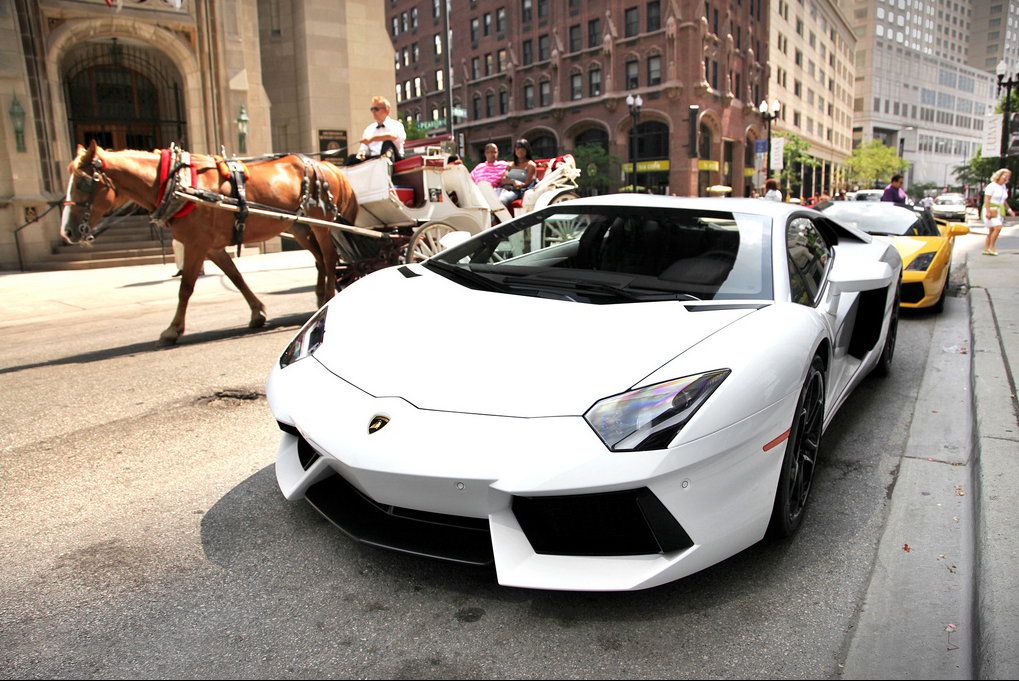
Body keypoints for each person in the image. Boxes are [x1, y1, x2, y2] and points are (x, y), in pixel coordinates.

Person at [347, 96, 406, 165]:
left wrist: (372, 138)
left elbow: (393, 136)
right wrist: (362, 152)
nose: (373, 112)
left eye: (376, 109)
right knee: (352, 158)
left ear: (386, 110)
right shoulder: (369, 129)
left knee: (387, 144)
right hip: (374, 159)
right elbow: (364, 148)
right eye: (372, 109)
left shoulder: (396, 124)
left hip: (393, 158)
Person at [495, 139, 537, 207]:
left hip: (517, 191)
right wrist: (513, 182)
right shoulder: (511, 165)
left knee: (502, 201)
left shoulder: (530, 165)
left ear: (527, 149)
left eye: (522, 147)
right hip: (504, 188)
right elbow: (503, 180)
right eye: (517, 148)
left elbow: (527, 183)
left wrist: (512, 187)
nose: (519, 150)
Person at [982, 168, 1013, 256]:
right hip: (991, 210)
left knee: (991, 230)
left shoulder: (1003, 187)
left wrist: (1009, 210)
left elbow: (1004, 200)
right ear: (999, 176)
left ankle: (986, 249)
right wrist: (988, 211)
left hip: (999, 210)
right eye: (1005, 176)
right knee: (998, 227)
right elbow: (986, 199)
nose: (1007, 179)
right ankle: (992, 247)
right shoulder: (991, 186)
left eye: (1008, 177)